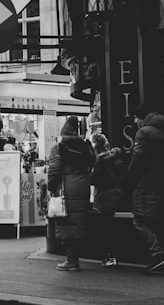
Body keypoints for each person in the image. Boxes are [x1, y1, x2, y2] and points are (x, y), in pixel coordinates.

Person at [127, 108, 164, 275]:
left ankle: (158, 255)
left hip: (147, 184)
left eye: (135, 117)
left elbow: (138, 159)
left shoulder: (143, 133)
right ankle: (163, 260)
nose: (134, 121)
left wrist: (129, 178)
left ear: (142, 118)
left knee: (139, 220)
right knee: (160, 221)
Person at [47, 116, 95, 271]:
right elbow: (94, 162)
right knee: (77, 222)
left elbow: (54, 171)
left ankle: (71, 259)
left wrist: (50, 187)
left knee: (65, 221)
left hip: (66, 189)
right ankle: (75, 258)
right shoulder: (85, 147)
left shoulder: (59, 148)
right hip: (82, 187)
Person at [90, 133, 126, 268]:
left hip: (105, 196)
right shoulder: (116, 158)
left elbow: (95, 180)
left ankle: (109, 256)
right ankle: (114, 255)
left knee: (105, 227)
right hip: (116, 194)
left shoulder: (100, 161)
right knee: (111, 225)